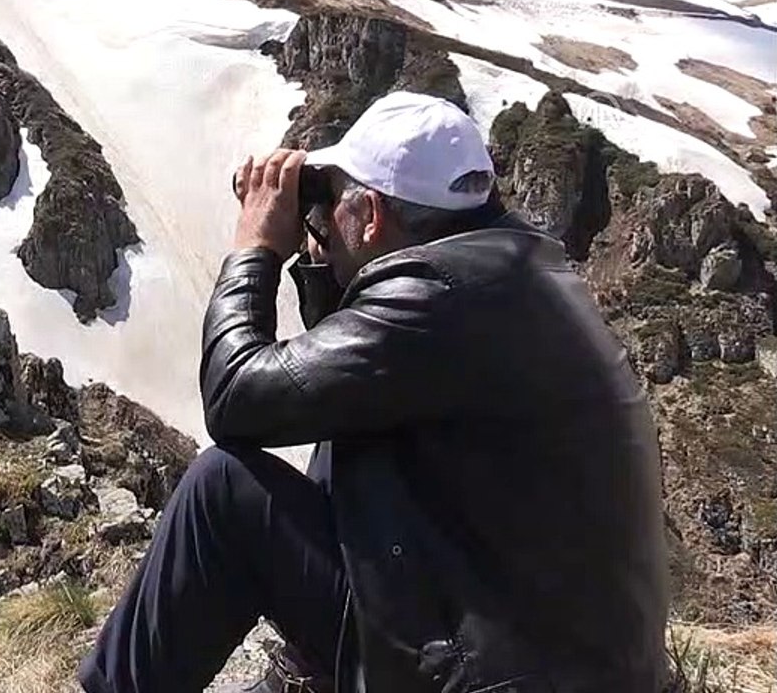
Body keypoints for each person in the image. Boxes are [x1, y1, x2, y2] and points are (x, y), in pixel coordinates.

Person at [76, 91, 669, 693]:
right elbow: (349, 385)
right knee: (356, 437)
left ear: (374, 214)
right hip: (574, 665)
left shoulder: (439, 297)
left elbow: (235, 399)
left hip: (495, 679)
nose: (323, 217)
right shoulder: (517, 273)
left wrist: (255, 248)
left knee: (221, 490)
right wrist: (325, 261)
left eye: (332, 201)